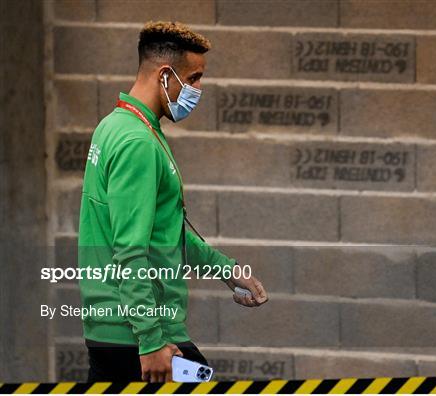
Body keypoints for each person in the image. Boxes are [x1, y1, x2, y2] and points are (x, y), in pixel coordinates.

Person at [78, 21, 268, 383]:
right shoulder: (138, 143)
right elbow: (130, 250)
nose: (198, 89)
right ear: (165, 75)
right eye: (193, 78)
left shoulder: (116, 126)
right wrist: (150, 343)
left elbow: (165, 230)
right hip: (140, 332)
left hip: (118, 329)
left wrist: (226, 270)